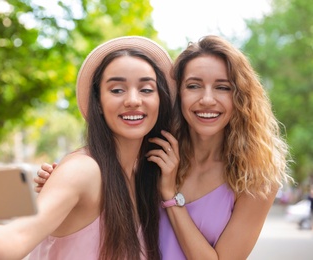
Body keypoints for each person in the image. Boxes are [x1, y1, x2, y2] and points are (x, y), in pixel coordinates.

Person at [35, 35, 293, 259]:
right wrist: (61, 185)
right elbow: (98, 194)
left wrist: (171, 197)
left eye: (222, 87)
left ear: (241, 97)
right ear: (176, 93)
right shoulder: (151, 153)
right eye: (193, 86)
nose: (206, 99)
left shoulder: (257, 177)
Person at [0, 36, 177, 260]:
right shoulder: (84, 170)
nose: (133, 100)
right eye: (116, 90)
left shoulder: (146, 178)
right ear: (98, 103)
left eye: (146, 89)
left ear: (160, 100)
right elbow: (19, 235)